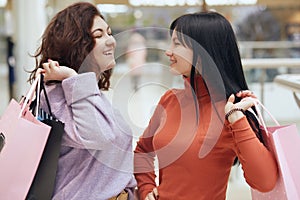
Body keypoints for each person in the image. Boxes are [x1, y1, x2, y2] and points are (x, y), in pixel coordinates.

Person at [134, 11, 278, 200]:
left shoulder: (233, 112)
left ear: (203, 51)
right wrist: (146, 188)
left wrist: (236, 118)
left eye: (176, 43)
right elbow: (142, 151)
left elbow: (265, 182)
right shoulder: (169, 100)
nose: (168, 51)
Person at [28, 2, 136, 200]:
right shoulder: (54, 98)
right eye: (98, 35)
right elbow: (98, 136)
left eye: (109, 32)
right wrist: (72, 77)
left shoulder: (90, 95)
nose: (111, 40)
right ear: (77, 44)